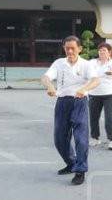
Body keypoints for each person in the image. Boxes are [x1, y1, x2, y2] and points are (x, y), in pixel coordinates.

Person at [41, 36, 101, 185]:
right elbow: (46, 77)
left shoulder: (86, 65)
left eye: (73, 48)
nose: (69, 51)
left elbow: (96, 80)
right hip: (62, 102)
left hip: (79, 101)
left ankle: (80, 170)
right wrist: (49, 87)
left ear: (79, 49)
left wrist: (84, 88)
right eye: (67, 48)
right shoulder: (59, 63)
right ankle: (71, 162)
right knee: (59, 139)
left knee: (80, 138)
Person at [88, 43, 112, 150]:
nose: (102, 52)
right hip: (94, 93)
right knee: (93, 117)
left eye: (104, 50)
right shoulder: (92, 62)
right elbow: (85, 70)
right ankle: (95, 138)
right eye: (100, 50)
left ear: (109, 52)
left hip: (110, 93)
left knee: (110, 117)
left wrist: (111, 72)